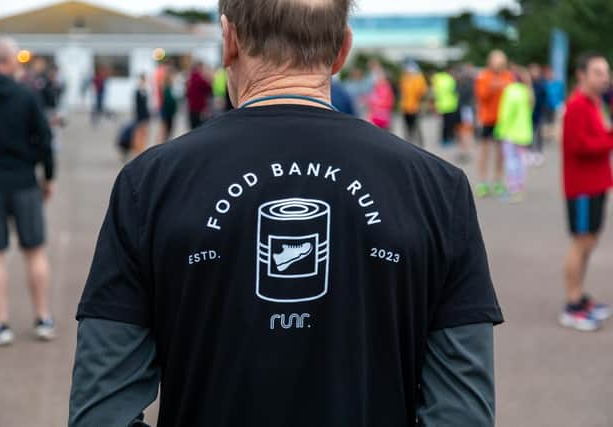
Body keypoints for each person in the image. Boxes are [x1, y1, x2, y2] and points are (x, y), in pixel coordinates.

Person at [69, 1, 503, 426]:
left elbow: (101, 409)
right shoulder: (436, 188)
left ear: (229, 39)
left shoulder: (150, 183)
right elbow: (462, 411)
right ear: (342, 49)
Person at [0, 37, 56, 346]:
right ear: (5, 62)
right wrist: (48, 176)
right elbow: (45, 139)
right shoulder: (26, 95)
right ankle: (43, 318)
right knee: (34, 250)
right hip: (24, 181)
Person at [560, 52, 613, 332]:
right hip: (581, 187)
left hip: (596, 184)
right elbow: (578, 147)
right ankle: (572, 304)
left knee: (589, 242)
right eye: (598, 72)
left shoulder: (594, 102)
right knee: (581, 243)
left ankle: (579, 296)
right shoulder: (577, 105)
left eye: (606, 72)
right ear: (582, 75)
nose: (605, 78)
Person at [475, 50, 513, 198]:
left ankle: (498, 181)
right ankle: (483, 182)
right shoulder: (484, 76)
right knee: (484, 151)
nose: (499, 66)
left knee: (500, 152)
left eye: (501, 63)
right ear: (490, 62)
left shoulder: (508, 76)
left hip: (503, 119)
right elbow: (481, 95)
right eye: (496, 62)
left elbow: (512, 93)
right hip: (487, 119)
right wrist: (494, 86)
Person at [494, 66, 534, 203]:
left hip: (510, 132)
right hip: (523, 133)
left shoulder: (510, 91)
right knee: (521, 161)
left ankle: (513, 188)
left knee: (511, 161)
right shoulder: (527, 92)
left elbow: (506, 113)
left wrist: (500, 130)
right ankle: (520, 187)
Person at [399, 61, 428, 146]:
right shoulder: (404, 78)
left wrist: (421, 105)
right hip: (406, 107)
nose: (408, 72)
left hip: (416, 107)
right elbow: (402, 92)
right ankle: (409, 143)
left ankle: (419, 144)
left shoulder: (419, 79)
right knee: (408, 127)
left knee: (416, 126)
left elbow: (422, 93)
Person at [432, 67, 459, 147]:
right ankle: (447, 139)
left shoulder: (439, 79)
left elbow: (437, 94)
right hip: (450, 105)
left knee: (445, 124)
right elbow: (455, 92)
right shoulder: (450, 80)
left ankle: (444, 139)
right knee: (448, 125)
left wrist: (437, 106)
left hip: (443, 105)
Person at [456, 63, 476, 163]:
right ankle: (463, 152)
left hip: (467, 109)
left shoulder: (469, 83)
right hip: (462, 109)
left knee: (466, 132)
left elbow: (465, 95)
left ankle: (467, 152)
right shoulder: (461, 83)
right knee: (462, 132)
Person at [367, 60, 395, 130]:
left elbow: (389, 102)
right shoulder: (375, 88)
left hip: (383, 117)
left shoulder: (386, 87)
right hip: (375, 117)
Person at [529, 63, 547, 166]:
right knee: (530, 134)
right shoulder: (529, 84)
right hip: (530, 114)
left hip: (539, 113)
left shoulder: (541, 84)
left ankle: (539, 153)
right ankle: (531, 153)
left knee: (539, 134)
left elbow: (544, 99)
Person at [186, 62, 212, 129]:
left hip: (191, 106)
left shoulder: (190, 78)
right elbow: (208, 88)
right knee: (199, 126)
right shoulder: (199, 78)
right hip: (199, 107)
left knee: (193, 126)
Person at [132, 74, 150, 155]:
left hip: (145, 114)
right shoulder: (138, 91)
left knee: (144, 132)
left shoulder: (145, 90)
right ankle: (137, 148)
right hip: (140, 114)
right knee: (138, 132)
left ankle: (142, 148)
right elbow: (137, 105)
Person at [160, 69, 177, 142]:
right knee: (166, 130)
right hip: (167, 112)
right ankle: (164, 142)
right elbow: (168, 102)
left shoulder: (169, 88)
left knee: (168, 129)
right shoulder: (167, 89)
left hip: (169, 112)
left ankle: (166, 141)